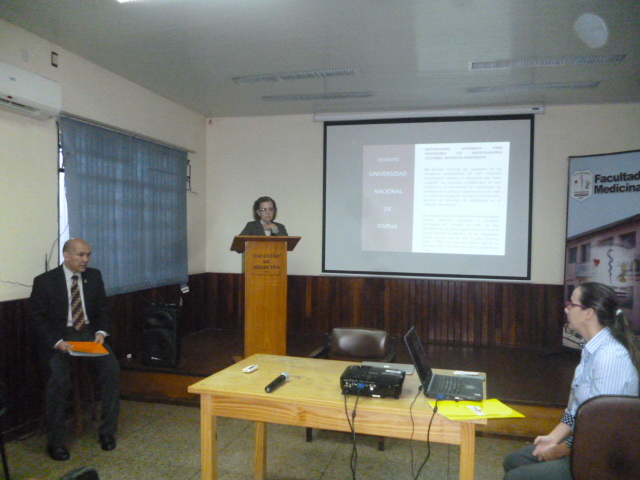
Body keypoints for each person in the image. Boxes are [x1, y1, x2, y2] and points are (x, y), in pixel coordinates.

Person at [503, 281, 640, 480]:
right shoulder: (591, 348)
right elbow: (575, 411)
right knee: (514, 461)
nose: (566, 309)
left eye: (571, 304)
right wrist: (553, 438)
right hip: (586, 443)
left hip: (606, 456)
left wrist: (557, 451)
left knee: (517, 477)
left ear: (589, 313)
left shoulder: (610, 357)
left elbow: (601, 430)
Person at [29, 238, 121, 461]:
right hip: (60, 338)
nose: (85, 259)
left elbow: (103, 310)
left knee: (112, 371)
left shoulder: (94, 276)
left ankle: (107, 432)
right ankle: (55, 441)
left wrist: (101, 332)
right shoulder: (45, 281)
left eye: (88, 254)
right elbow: (37, 318)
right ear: (66, 255)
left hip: (88, 334)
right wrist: (56, 342)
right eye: (80, 255)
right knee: (59, 380)